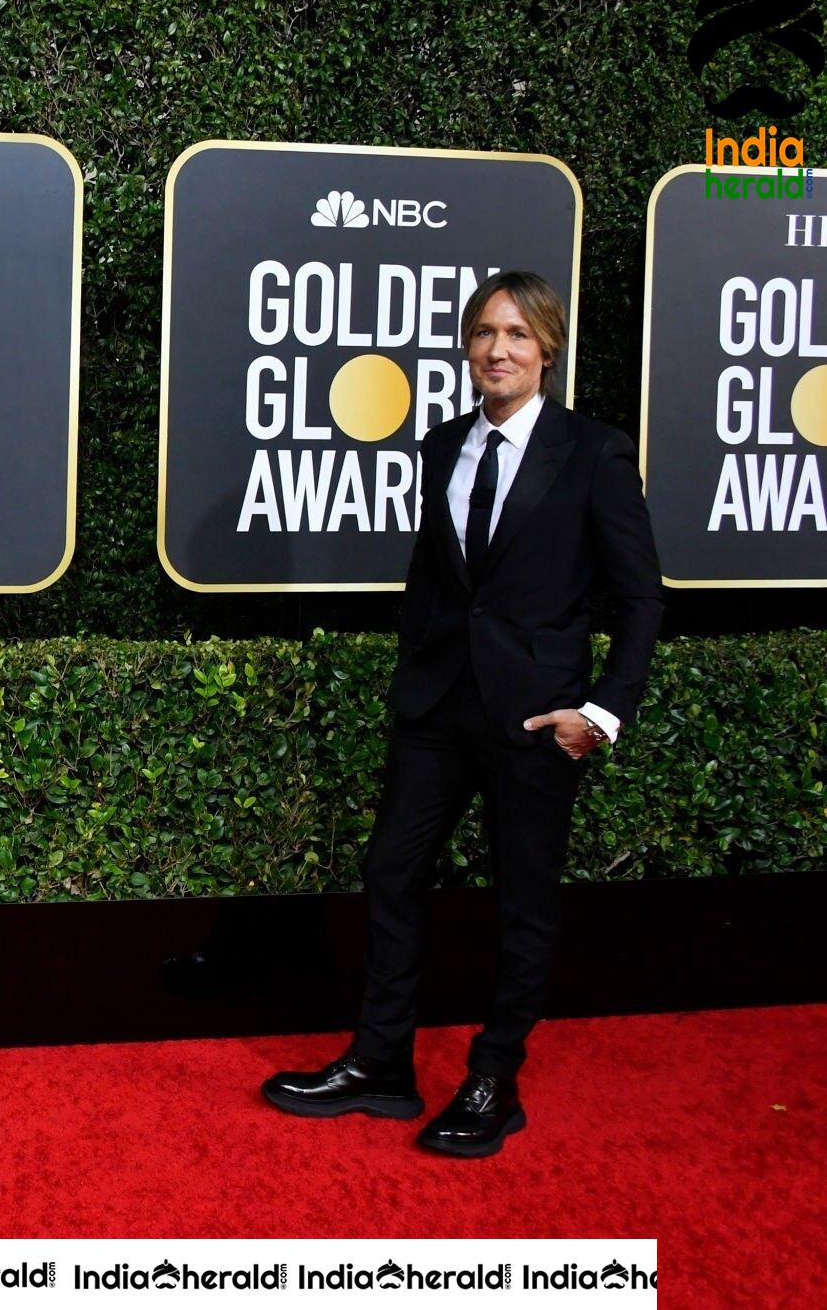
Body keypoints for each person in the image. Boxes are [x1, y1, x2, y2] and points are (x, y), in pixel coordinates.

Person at [261, 270, 661, 1157]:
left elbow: (640, 599)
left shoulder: (592, 451)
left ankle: (494, 1078)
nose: (498, 349)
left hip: (535, 720)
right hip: (438, 708)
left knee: (523, 901)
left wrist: (600, 712)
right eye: (484, 332)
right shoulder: (442, 446)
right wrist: (415, 674)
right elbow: (438, 582)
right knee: (391, 872)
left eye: (517, 334)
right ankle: (381, 1064)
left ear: (546, 348)